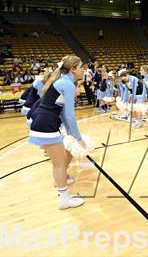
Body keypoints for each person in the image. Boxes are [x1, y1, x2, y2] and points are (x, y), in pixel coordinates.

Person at [28, 55, 85, 210]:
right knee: (60, 164)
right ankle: (64, 199)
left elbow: (62, 112)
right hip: (46, 124)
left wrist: (70, 133)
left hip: (43, 122)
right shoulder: (68, 84)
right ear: (73, 69)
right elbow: (69, 115)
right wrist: (78, 138)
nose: (83, 70)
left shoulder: (63, 82)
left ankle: (61, 187)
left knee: (57, 163)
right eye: (80, 67)